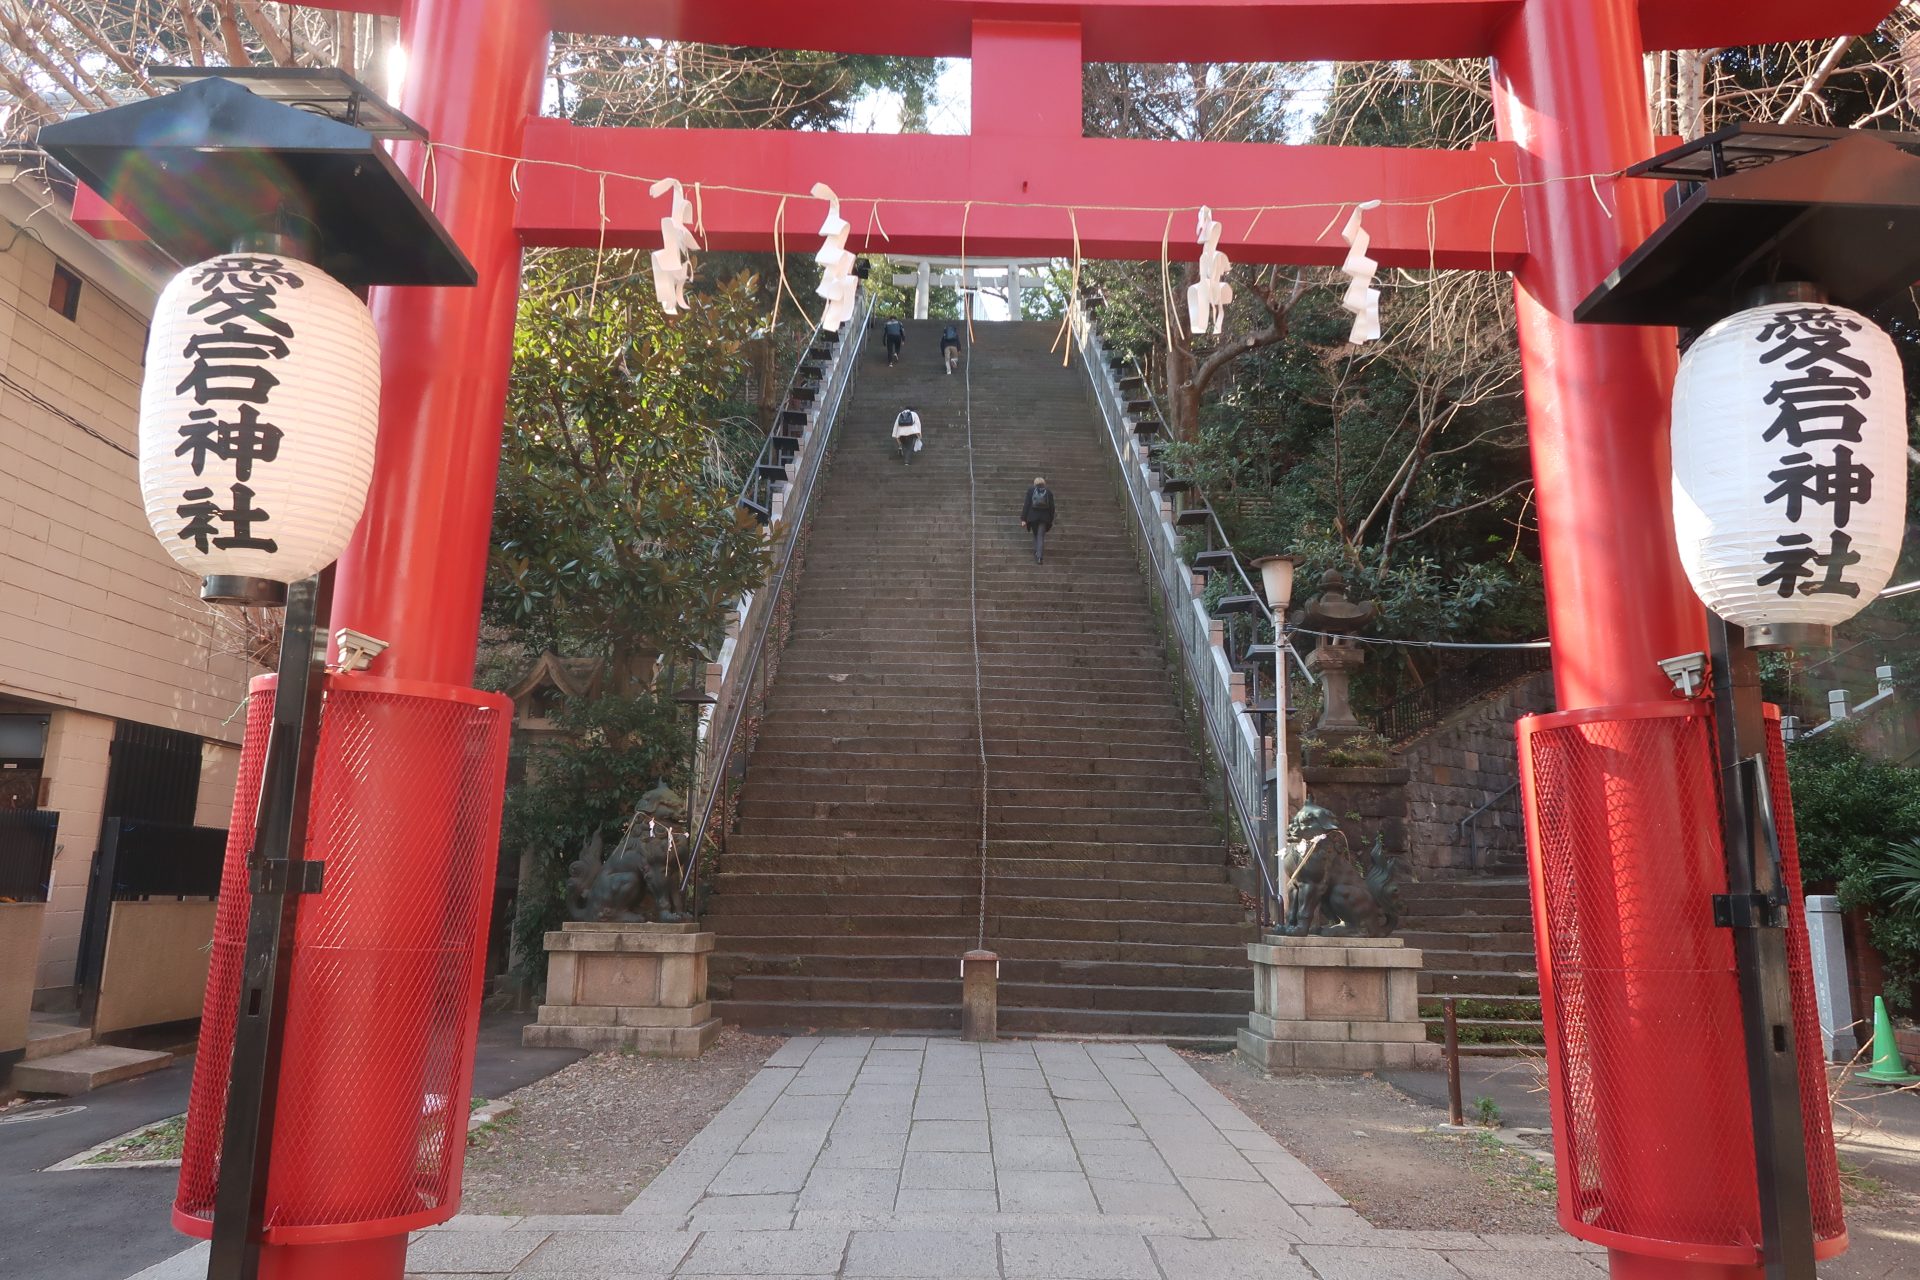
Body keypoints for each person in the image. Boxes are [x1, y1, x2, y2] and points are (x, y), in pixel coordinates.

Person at [1021, 476, 1055, 564]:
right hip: (1044, 518)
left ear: (1035, 483)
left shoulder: (1031, 490)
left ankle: (1036, 552)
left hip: (1033, 517)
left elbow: (1027, 505)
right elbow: (1052, 507)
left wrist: (1023, 519)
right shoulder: (1048, 492)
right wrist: (1050, 518)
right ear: (1044, 483)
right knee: (1041, 536)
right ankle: (1039, 557)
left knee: (1035, 534)